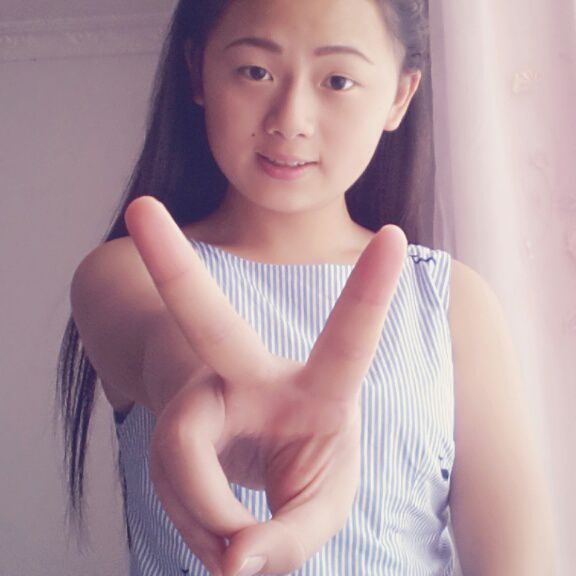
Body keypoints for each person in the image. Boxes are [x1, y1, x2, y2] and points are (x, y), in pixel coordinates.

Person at [58, 0, 555, 575]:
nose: (290, 119)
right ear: (198, 73)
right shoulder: (129, 272)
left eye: (337, 80)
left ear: (399, 96)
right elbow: (167, 351)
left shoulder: (453, 301)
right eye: (255, 71)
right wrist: (208, 391)